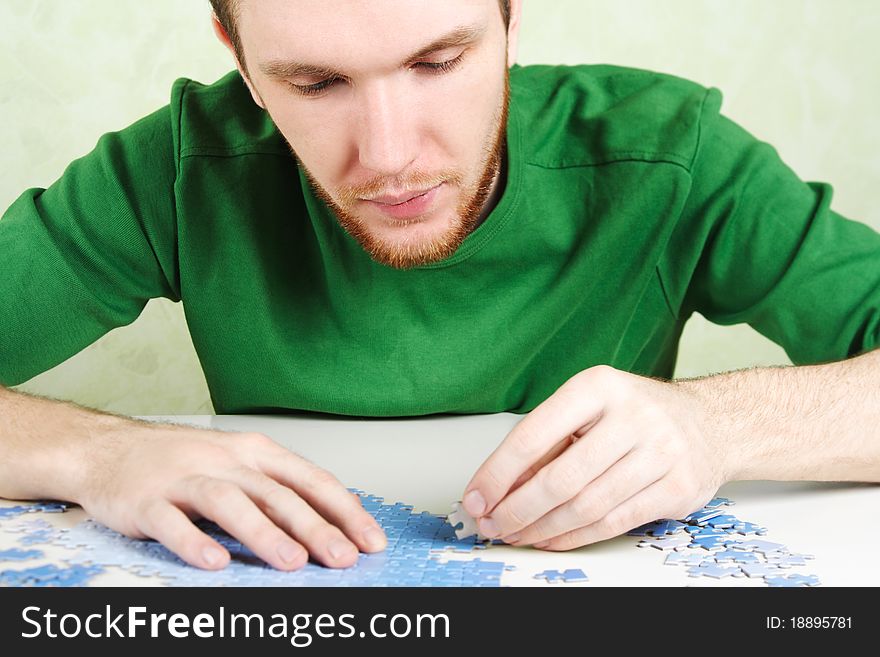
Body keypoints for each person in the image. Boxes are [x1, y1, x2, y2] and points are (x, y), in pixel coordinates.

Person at [1, 0, 878, 572]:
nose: (388, 158)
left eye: (438, 62)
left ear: (512, 20)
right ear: (237, 55)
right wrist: (99, 454)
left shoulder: (668, 153)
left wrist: (717, 424)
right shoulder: (175, 169)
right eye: (314, 83)